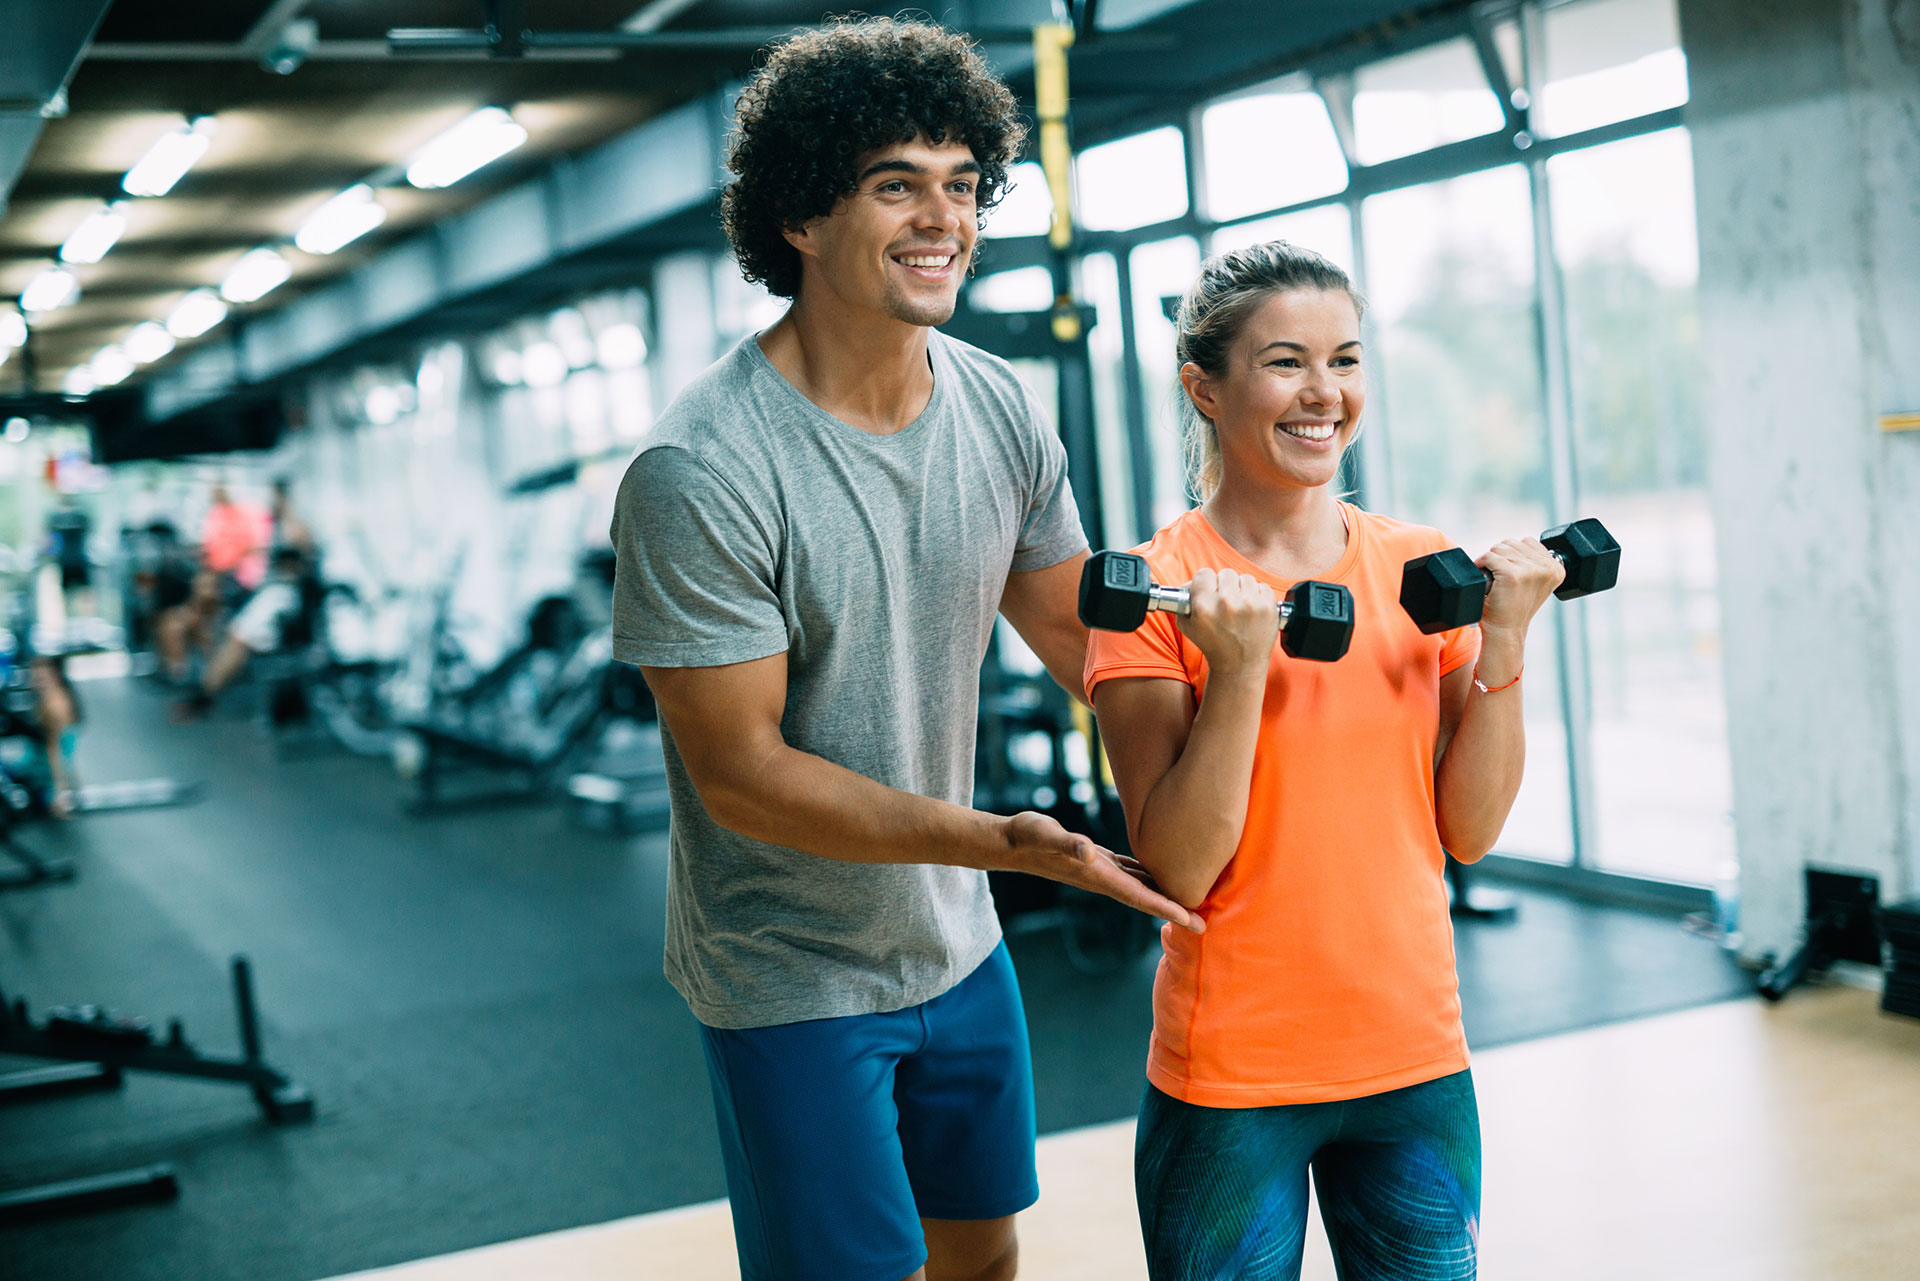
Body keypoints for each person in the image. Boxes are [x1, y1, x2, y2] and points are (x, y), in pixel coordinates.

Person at [609, 19, 1202, 1281]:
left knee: (983, 1258)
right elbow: (744, 777)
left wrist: (1253, 702)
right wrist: (1005, 842)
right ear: (801, 219)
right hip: (787, 969)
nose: (944, 218)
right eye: (896, 185)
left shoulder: (997, 406)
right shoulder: (702, 469)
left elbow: (1088, 646)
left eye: (962, 184)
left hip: (957, 937)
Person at [1084, 241, 1568, 1281]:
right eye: (1287, 362)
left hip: (1414, 1056)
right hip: (1233, 1078)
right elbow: (1178, 868)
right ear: (1203, 388)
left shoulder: (1415, 567)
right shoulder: (1157, 593)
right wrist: (1242, 672)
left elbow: (1470, 831)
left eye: (1346, 360)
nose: (1325, 394)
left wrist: (1510, 643)